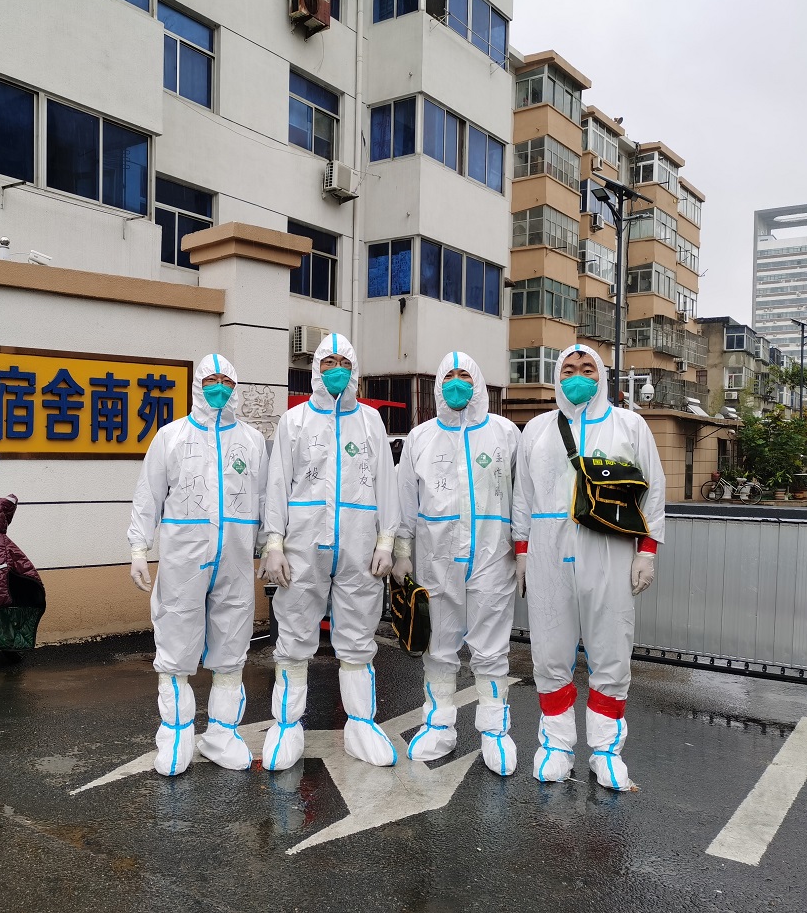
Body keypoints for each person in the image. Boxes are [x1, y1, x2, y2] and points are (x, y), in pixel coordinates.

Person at [513, 344, 665, 791]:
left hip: (609, 549)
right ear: (556, 377)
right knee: (550, 650)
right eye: (568, 369)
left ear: (601, 375)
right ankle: (556, 745)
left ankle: (606, 751)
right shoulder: (538, 429)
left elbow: (653, 490)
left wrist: (647, 550)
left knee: (610, 649)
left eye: (587, 368)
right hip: (547, 552)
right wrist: (522, 550)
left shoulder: (629, 425)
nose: (577, 376)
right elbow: (522, 495)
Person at [260, 333, 399, 771]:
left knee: (358, 636)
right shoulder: (295, 421)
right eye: (328, 362)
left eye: (344, 362)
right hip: (302, 546)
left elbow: (386, 482)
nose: (336, 370)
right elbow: (277, 484)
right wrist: (273, 542)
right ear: (315, 368)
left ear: (353, 369)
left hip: (359, 546)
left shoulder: (370, 421)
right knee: (294, 635)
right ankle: (287, 725)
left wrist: (387, 539)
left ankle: (361, 724)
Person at [127, 354, 268, 777]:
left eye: (226, 380)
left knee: (232, 646)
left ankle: (222, 734)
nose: (219, 387)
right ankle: (175, 736)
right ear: (198, 385)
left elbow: (264, 497)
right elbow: (148, 494)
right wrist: (138, 546)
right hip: (183, 559)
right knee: (175, 643)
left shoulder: (251, 441)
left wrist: (270, 546)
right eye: (211, 380)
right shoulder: (171, 437)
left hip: (236, 559)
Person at [390, 352, 523, 776]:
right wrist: (402, 551)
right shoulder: (421, 437)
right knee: (439, 646)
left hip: (493, 557)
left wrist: (523, 549)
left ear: (478, 381)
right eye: (449, 376)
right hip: (436, 559)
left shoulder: (504, 433)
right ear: (437, 384)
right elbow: (405, 498)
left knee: (492, 648)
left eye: (465, 374)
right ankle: (438, 724)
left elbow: (522, 496)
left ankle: (495, 731)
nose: (457, 382)